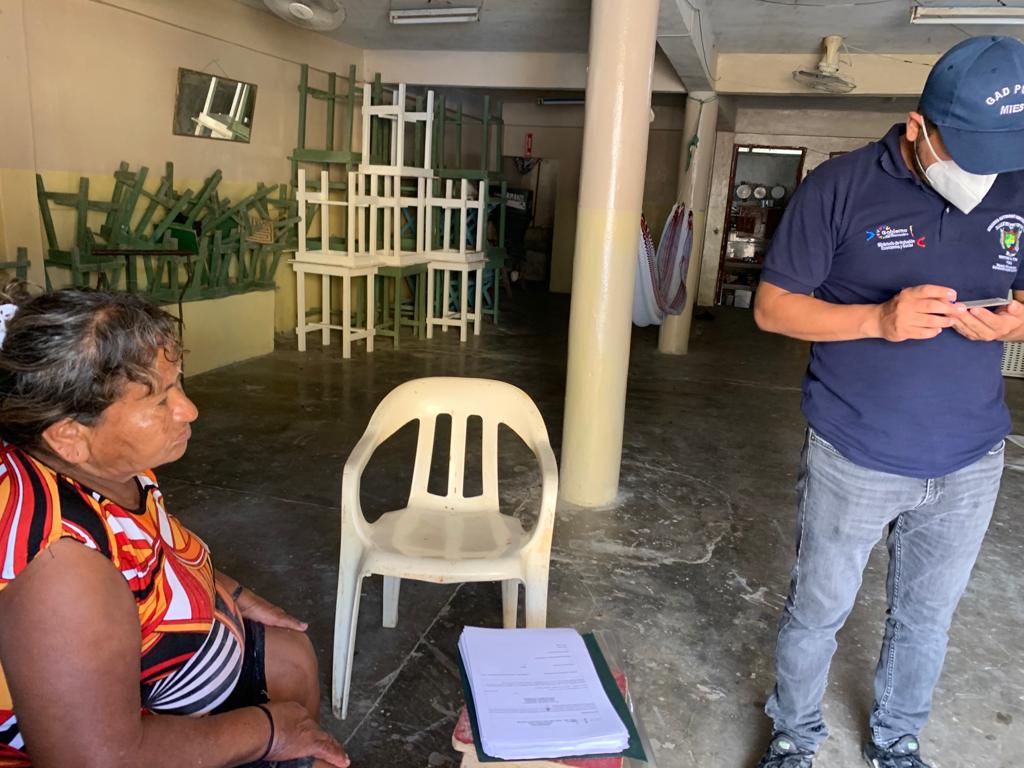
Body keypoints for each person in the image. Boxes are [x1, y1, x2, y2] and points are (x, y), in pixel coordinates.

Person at [751, 36, 1024, 768]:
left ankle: (897, 739)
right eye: (967, 152)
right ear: (917, 127)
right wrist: (877, 319)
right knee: (819, 612)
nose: (983, 174)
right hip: (856, 450)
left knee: (927, 619)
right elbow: (773, 309)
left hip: (971, 458)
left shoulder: (1018, 184)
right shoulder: (838, 189)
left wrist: (1018, 323)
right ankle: (794, 734)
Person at [0, 287, 351, 768]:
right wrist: (271, 731)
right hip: (139, 746)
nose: (189, 410)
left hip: (192, 671)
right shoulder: (62, 571)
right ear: (69, 436)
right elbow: (98, 759)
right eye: (161, 400)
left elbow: (152, 547)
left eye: (177, 384)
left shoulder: (104, 465)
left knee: (293, 659)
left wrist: (228, 591)